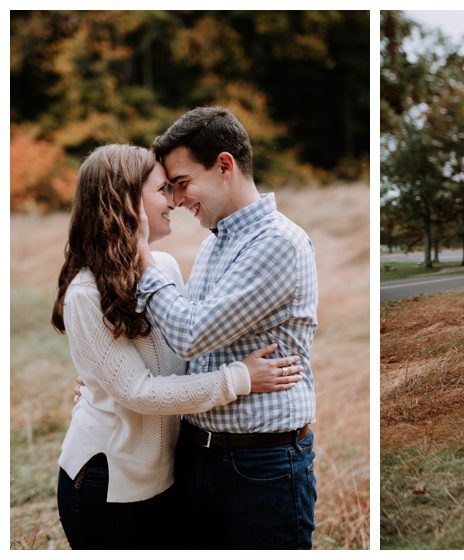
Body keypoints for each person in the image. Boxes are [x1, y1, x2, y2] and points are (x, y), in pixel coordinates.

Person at [52, 144, 304, 549]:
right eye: (161, 190)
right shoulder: (85, 292)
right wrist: (240, 378)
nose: (173, 201)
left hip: (167, 476)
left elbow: (187, 352)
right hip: (108, 482)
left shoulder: (164, 269)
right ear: (125, 201)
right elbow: (138, 391)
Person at [135, 106, 320, 549]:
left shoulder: (278, 242)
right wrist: (107, 380)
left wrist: (141, 257)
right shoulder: (217, 243)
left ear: (224, 165)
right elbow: (186, 346)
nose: (177, 200)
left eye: (182, 183)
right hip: (198, 455)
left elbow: (191, 333)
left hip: (261, 465)